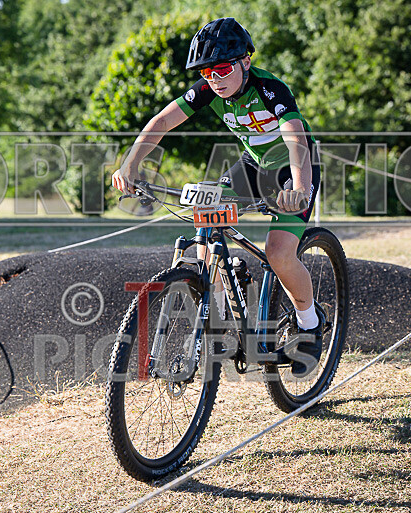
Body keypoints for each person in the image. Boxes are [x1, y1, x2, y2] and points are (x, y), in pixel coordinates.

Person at [111, 17, 322, 377]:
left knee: (278, 253)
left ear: (246, 61)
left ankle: (309, 323)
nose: (215, 79)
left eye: (223, 68)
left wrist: (299, 188)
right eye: (207, 72)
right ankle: (218, 307)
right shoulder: (209, 89)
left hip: (293, 166)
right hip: (253, 167)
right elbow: (162, 121)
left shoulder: (270, 89)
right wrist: (130, 165)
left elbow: (295, 139)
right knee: (204, 214)